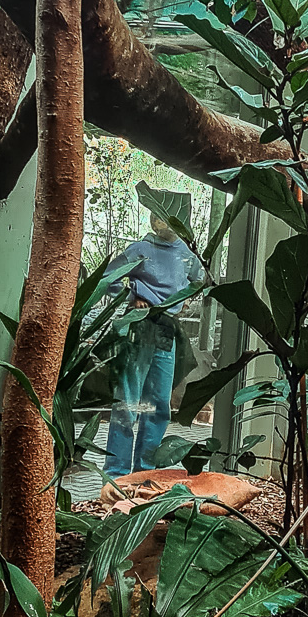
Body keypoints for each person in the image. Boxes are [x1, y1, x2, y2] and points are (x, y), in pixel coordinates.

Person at [101, 195, 205, 483]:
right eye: (155, 216)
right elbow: (108, 279)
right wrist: (131, 297)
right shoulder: (140, 249)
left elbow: (201, 279)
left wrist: (184, 302)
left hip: (166, 330)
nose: (159, 221)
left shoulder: (186, 254)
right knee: (128, 400)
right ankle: (117, 476)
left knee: (159, 404)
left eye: (165, 216)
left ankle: (146, 473)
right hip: (139, 327)